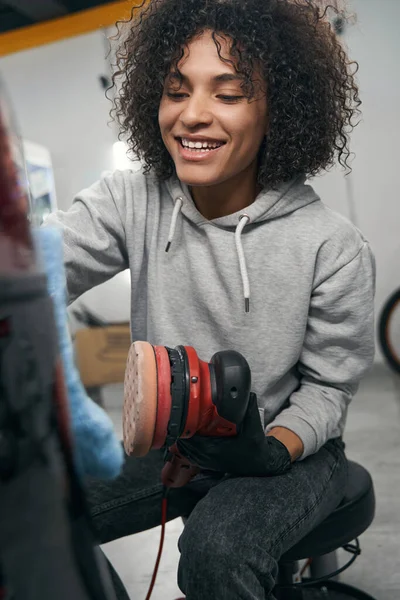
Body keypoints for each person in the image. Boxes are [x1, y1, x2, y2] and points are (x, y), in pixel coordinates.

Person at [45, 0, 376, 598]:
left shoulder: (333, 246)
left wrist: (272, 450)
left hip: (288, 455)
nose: (192, 116)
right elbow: (39, 267)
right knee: (34, 510)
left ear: (278, 108)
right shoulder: (132, 200)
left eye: (228, 94)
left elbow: (330, 389)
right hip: (177, 449)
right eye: (176, 91)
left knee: (216, 551)